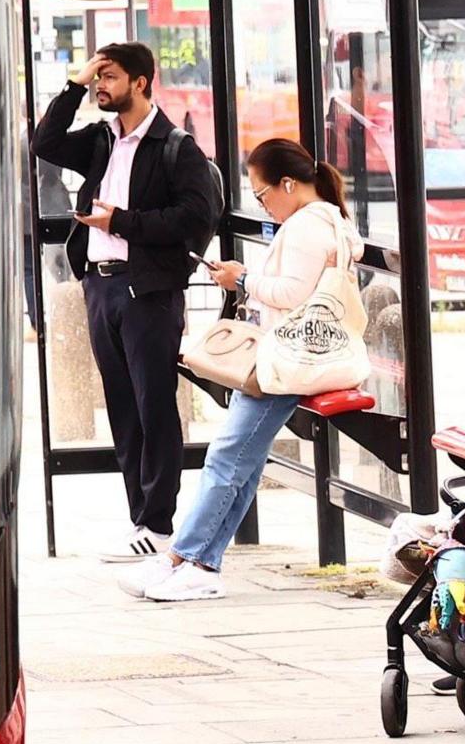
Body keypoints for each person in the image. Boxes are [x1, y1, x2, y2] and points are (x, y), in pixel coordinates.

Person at [135, 139, 360, 602]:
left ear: (288, 184)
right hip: (296, 358)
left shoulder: (303, 226)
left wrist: (241, 279)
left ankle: (187, 557)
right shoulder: (333, 219)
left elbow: (290, 294)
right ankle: (197, 560)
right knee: (242, 461)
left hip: (285, 363)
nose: (263, 204)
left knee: (227, 457)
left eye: (261, 195)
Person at [32, 43, 221, 561]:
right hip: (101, 286)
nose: (100, 85)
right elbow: (45, 142)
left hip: (149, 293)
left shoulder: (176, 147)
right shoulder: (99, 140)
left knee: (154, 405)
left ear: (140, 82)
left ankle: (159, 523)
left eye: (109, 76)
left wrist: (120, 222)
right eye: (97, 76)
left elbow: (192, 219)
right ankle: (140, 519)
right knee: (122, 407)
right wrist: (75, 83)